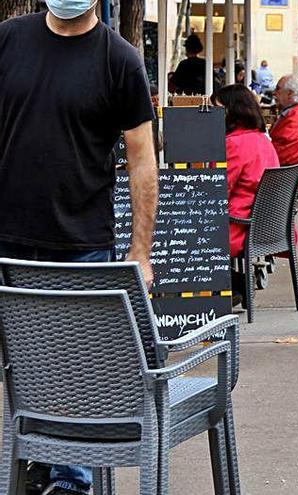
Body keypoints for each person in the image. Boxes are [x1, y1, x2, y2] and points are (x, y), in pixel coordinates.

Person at [0, 2, 158, 494]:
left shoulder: (120, 60)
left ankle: (70, 481)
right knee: (21, 368)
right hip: (6, 242)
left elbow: (142, 160)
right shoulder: (6, 40)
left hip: (81, 245)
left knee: (75, 371)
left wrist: (141, 251)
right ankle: (31, 463)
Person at [211, 84, 279, 296]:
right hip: (269, 226)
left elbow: (217, 191)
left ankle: (236, 287)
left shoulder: (233, 144)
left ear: (232, 111)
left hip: (239, 228)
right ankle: (237, 286)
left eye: (217, 109)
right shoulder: (262, 140)